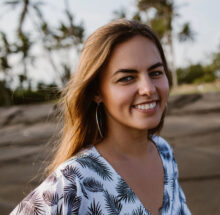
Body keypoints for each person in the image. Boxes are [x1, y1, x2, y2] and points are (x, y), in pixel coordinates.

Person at [11, 19, 191, 215]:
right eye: (127, 78)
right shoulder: (74, 181)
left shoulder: (163, 152)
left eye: (155, 72)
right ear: (97, 92)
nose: (148, 89)